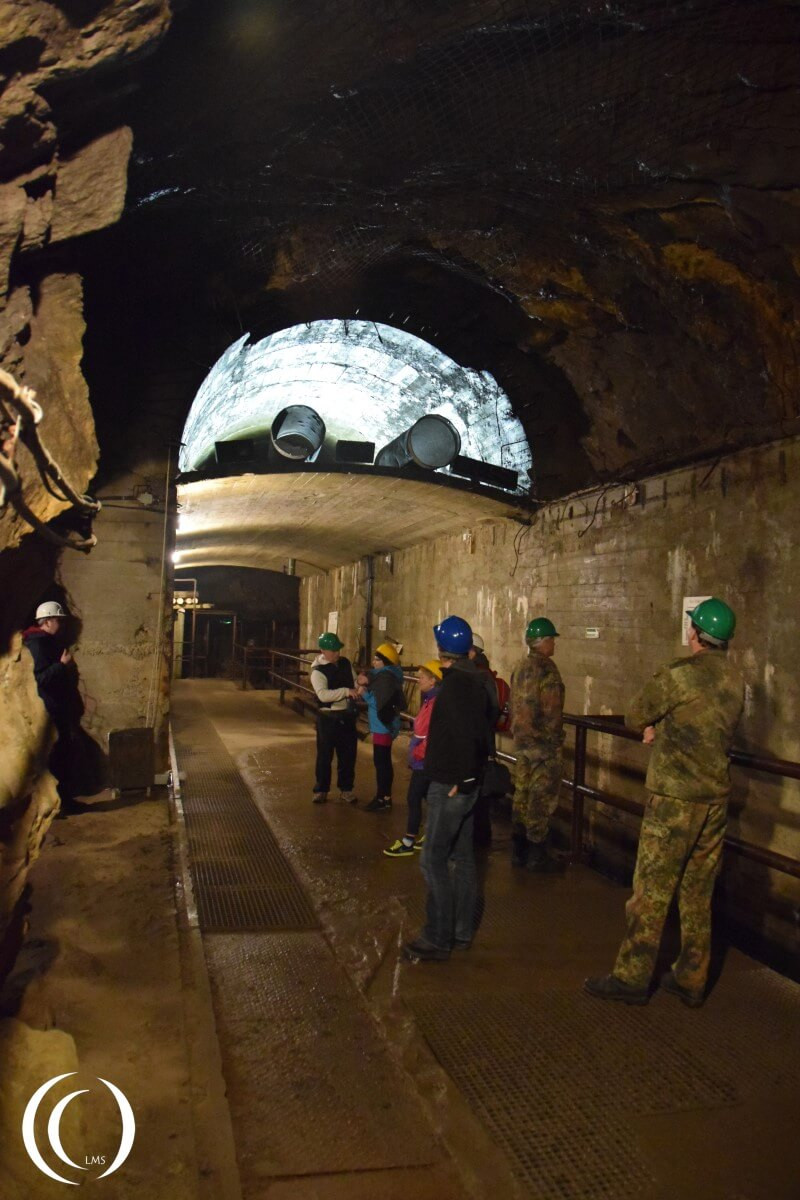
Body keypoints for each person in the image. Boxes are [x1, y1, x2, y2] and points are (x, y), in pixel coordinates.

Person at [584, 597, 744, 1007]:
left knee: (651, 891)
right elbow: (708, 729)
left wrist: (657, 727)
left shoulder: (680, 675)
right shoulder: (734, 680)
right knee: (696, 892)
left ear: (695, 633)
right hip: (714, 801)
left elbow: (635, 715)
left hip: (675, 799)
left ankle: (632, 977)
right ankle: (692, 976)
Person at [404, 616, 488, 962]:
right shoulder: (478, 681)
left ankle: (438, 937)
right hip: (468, 784)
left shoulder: (454, 688)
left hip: (450, 785)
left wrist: (459, 780)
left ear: (441, 652)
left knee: (432, 859)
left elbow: (461, 736)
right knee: (464, 860)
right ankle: (461, 932)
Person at [509, 616, 565, 872]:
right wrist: (554, 742)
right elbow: (552, 710)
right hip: (542, 747)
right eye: (552, 639)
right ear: (543, 642)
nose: (554, 644)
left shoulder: (520, 667)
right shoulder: (547, 670)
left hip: (521, 744)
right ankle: (537, 854)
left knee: (521, 793)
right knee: (540, 799)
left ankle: (518, 850)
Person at [22, 600, 84, 815]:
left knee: (61, 756)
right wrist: (62, 665)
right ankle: (54, 806)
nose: (62, 625)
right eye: (58, 620)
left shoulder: (45, 641)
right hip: (49, 710)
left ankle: (63, 802)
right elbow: (39, 679)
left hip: (56, 709)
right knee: (55, 759)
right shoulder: (37, 644)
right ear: (47, 622)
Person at [383, 659, 442, 858]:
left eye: (422, 677)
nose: (418, 681)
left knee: (414, 797)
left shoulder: (435, 704)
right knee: (426, 797)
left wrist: (418, 752)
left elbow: (433, 735)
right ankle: (430, 834)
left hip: (424, 760)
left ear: (433, 681)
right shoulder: (429, 700)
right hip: (423, 758)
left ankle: (409, 840)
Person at [309, 632, 360, 804]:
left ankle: (346, 789)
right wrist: (346, 692)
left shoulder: (345, 663)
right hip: (328, 717)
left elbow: (354, 681)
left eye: (337, 649)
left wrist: (359, 685)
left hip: (346, 715)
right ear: (323, 650)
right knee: (325, 755)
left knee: (348, 754)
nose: (336, 653)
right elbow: (323, 695)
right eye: (332, 650)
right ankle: (321, 789)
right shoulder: (317, 671)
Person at [358, 642, 405, 812]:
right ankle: (385, 797)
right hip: (383, 725)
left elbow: (380, 704)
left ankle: (382, 798)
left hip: (382, 726)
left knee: (382, 763)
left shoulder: (385, 679)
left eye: (377, 660)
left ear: (385, 662)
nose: (374, 662)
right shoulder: (386, 675)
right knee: (383, 762)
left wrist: (365, 695)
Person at [468, 632, 501, 848]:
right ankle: (478, 836)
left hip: (477, 742)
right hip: (480, 740)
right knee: (477, 791)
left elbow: (492, 710)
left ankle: (478, 837)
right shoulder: (481, 675)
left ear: (473, 652)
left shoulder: (480, 677)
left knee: (477, 791)